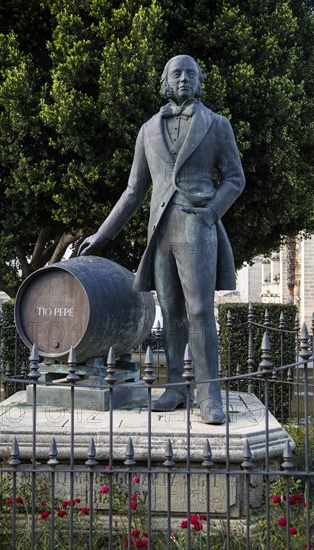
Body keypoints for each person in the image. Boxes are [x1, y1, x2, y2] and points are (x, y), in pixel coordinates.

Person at [79, 54, 245, 424]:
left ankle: (210, 394)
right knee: (171, 313)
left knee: (200, 310)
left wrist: (212, 211)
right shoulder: (148, 129)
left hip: (198, 226)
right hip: (160, 232)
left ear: (199, 81)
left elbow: (235, 178)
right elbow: (134, 191)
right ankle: (175, 388)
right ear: (166, 82)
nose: (184, 79)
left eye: (191, 73)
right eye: (177, 73)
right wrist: (102, 234)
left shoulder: (217, 125)